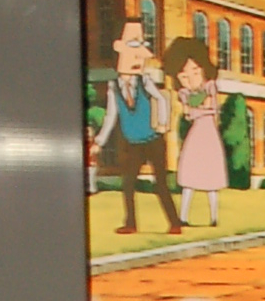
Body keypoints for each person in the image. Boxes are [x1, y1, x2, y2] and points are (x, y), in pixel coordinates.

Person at [93, 18, 181, 236]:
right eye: (134, 51)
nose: (139, 60)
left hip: (153, 141)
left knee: (161, 184)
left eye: (141, 53)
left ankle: (175, 223)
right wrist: (99, 142)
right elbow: (111, 116)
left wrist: (162, 124)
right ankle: (130, 223)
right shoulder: (114, 87)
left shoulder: (144, 81)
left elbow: (161, 99)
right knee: (128, 184)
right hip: (133, 143)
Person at [163, 33, 228, 226]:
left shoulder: (210, 87)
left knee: (211, 181)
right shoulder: (184, 93)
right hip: (196, 135)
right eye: (184, 76)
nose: (191, 79)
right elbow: (188, 112)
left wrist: (197, 110)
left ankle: (214, 218)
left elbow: (210, 108)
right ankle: (183, 217)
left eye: (195, 72)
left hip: (209, 135)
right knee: (189, 178)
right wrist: (196, 110)